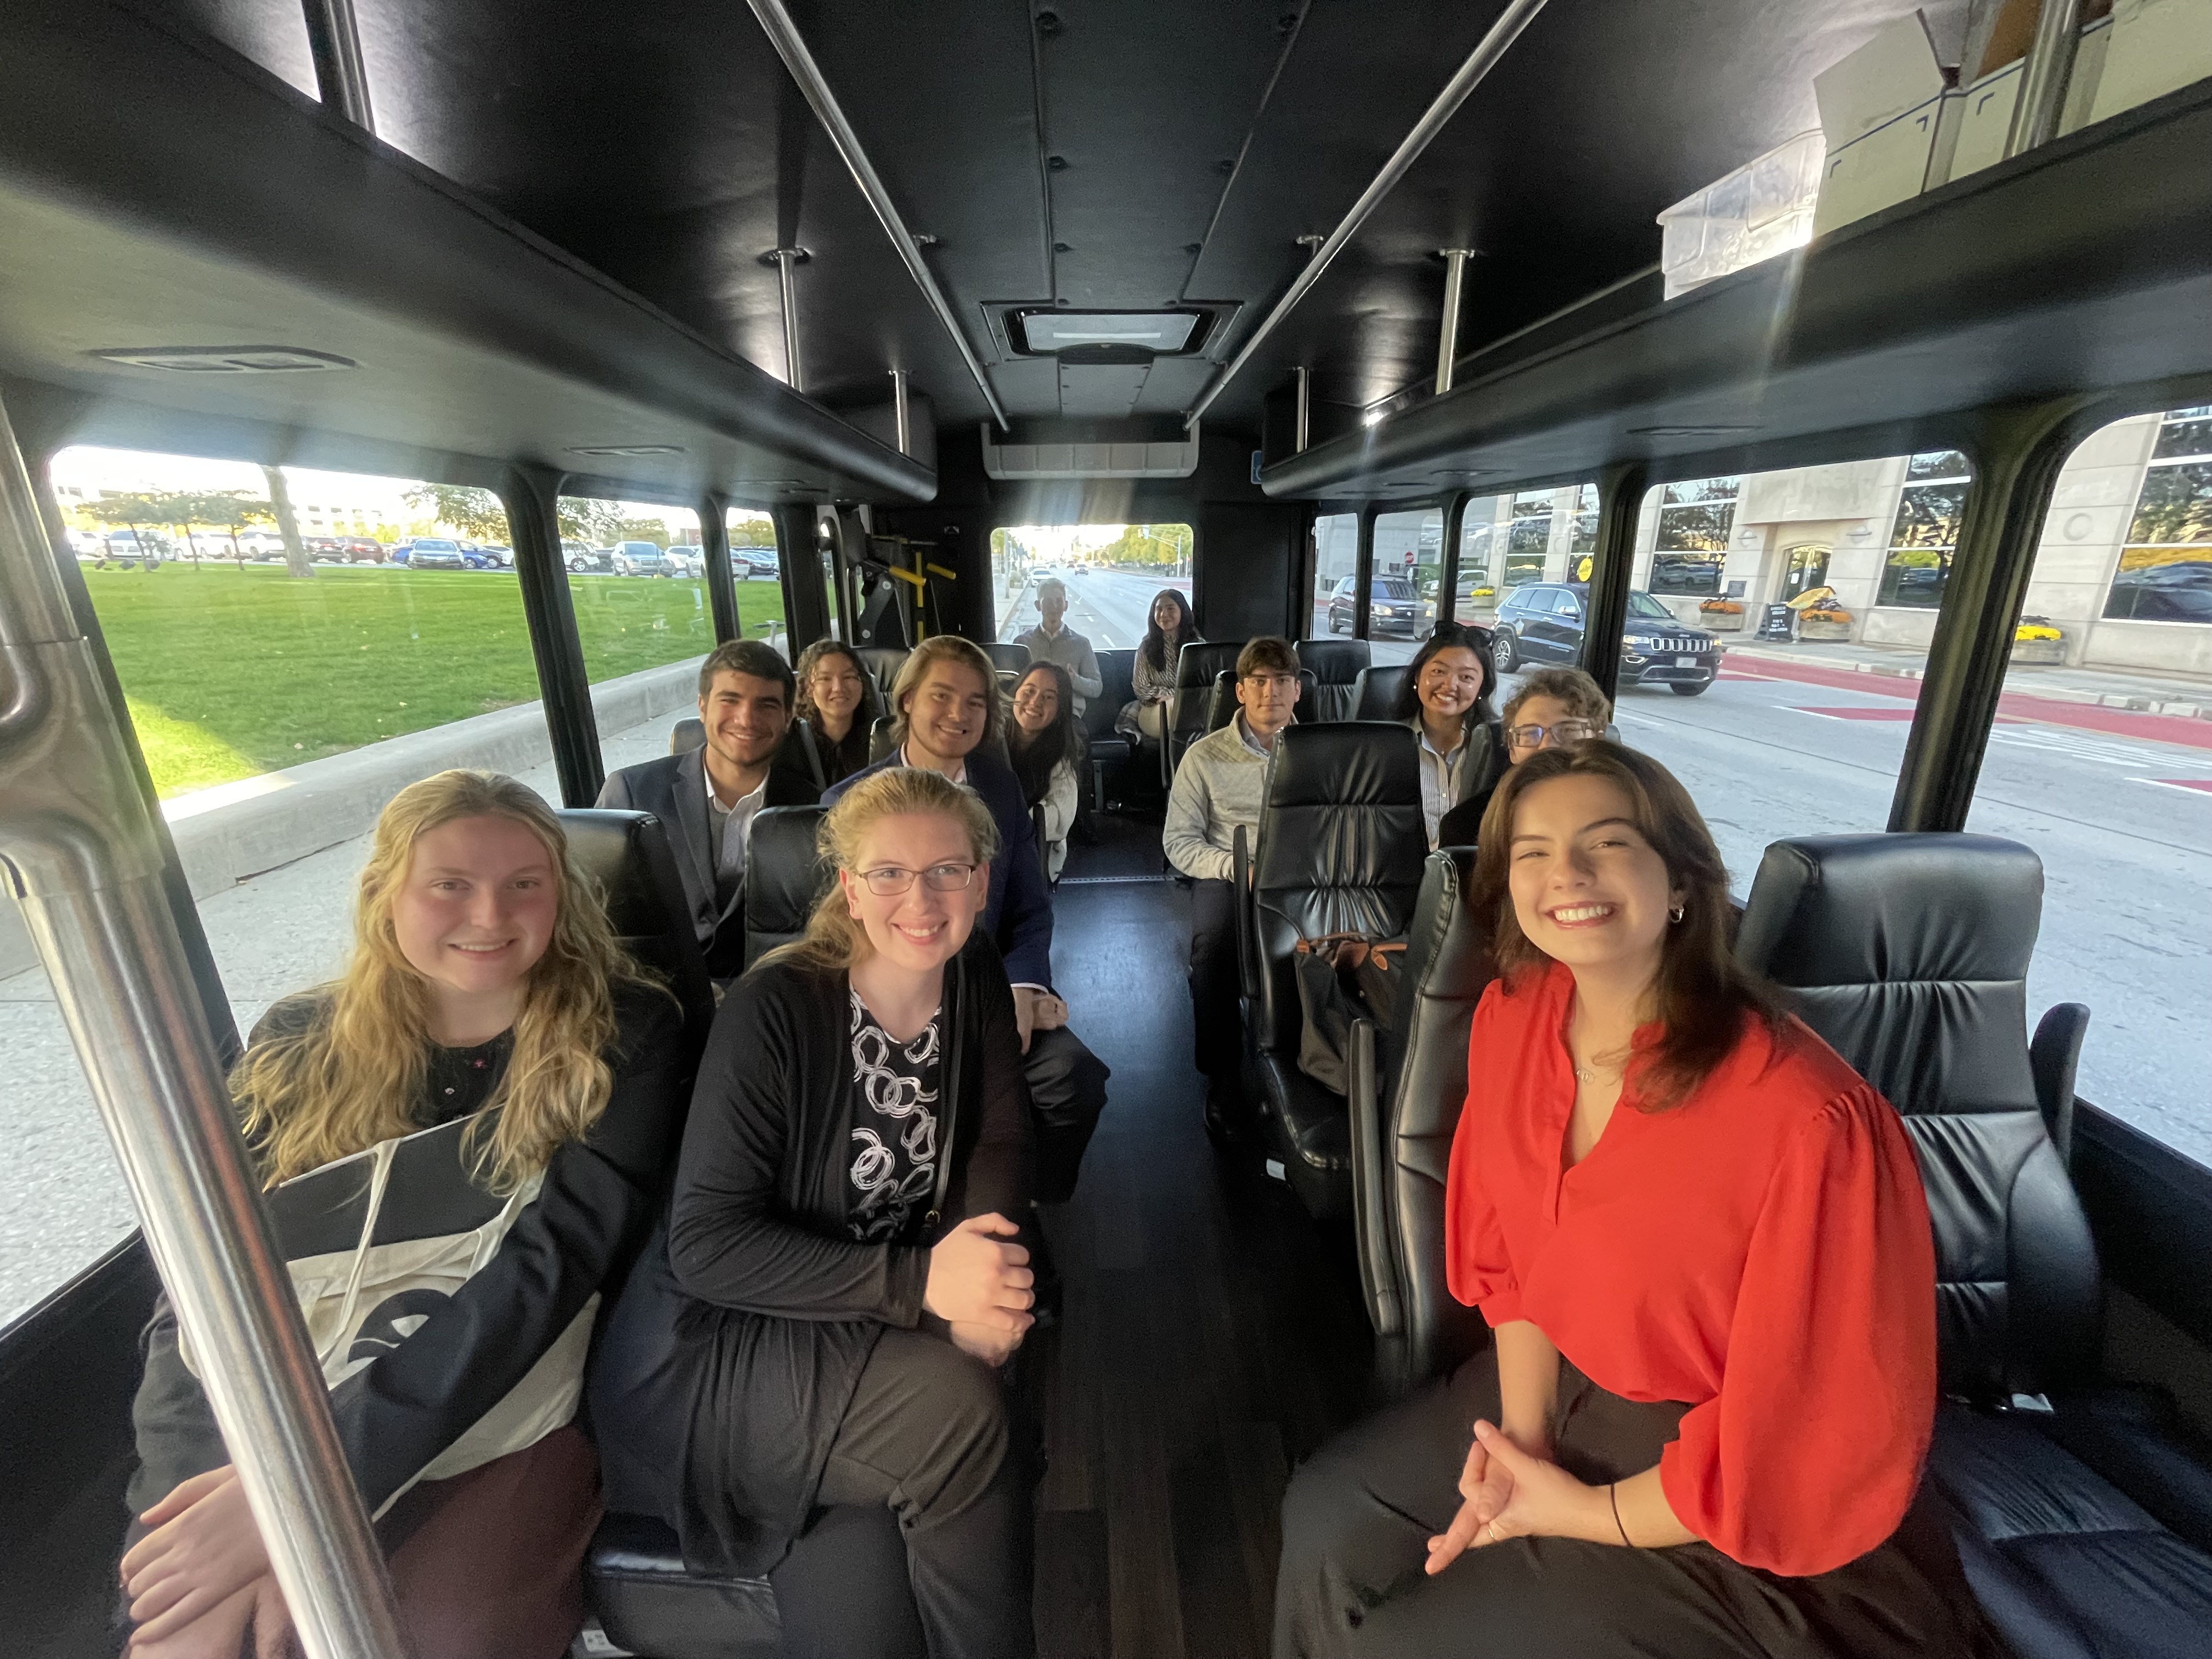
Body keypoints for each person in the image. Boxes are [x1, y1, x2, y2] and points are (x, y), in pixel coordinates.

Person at [1274, 741, 1990, 1659]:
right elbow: (1515, 1273)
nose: (1563, 872)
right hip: (1565, 1387)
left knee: (1410, 1637)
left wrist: (1579, 1508)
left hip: (1750, 1497)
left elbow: (1801, 1440)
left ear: (1682, 882)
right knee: (1323, 1518)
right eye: (1530, 850)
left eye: (1604, 842)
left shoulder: (1813, 1119)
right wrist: (1521, 1443)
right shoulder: (1513, 1018)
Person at [119, 770, 687, 1659]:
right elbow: (200, 1287)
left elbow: (549, 1268)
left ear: (562, 895)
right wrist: (215, 1490)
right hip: (292, 1396)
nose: (489, 914)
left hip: (501, 1404)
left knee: (433, 1630)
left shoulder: (624, 1034)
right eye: (450, 883)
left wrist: (307, 1490)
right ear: (386, 892)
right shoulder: (295, 1041)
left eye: (524, 883)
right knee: (186, 1628)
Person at [589, 768, 1037, 1659]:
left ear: (982, 880)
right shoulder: (775, 1005)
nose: (922, 897)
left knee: (879, 1545)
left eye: (949, 870)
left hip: (853, 1310)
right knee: (962, 1411)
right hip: (720, 1339)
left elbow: (1000, 1138)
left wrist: (982, 1265)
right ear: (848, 886)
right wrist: (922, 1283)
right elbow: (710, 1246)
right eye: (890, 873)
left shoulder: (971, 966)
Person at [828, 635, 1109, 1205]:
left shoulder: (1002, 791)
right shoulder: (848, 804)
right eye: (942, 696)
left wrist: (1023, 988)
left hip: (990, 990)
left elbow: (1031, 909)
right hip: (891, 1013)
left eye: (976, 703)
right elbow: (839, 940)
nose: (959, 714)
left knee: (1074, 1082)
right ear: (906, 701)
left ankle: (1024, 1199)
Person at [596, 640, 819, 978]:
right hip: (659, 997)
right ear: (702, 707)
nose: (747, 719)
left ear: (789, 718)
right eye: (730, 700)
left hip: (768, 998)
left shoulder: (813, 808)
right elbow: (592, 918)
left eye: (767, 705)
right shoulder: (633, 793)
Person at [1163, 635, 1301, 1139]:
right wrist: (1234, 867)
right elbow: (1178, 843)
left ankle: (1309, 1064)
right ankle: (1222, 1075)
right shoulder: (1203, 757)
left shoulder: (1319, 752)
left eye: (1283, 681)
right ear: (1240, 691)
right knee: (1213, 950)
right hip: (1229, 873)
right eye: (1259, 683)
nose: (1272, 693)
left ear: (1298, 691)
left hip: (1304, 876)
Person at [1435, 664, 1609, 848]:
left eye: (1568, 731)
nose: (1547, 746)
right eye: (1530, 733)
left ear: (1598, 740)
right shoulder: (1466, 826)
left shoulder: (1627, 815)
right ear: (1512, 749)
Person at [1391, 626, 1498, 849]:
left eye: (1466, 677)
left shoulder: (1497, 751)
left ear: (1481, 688)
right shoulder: (1386, 745)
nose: (1450, 685)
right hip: (1402, 875)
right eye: (1439, 672)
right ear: (1418, 677)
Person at [1007, 661, 1082, 883]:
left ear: (1060, 710)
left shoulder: (1061, 759)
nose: (1035, 702)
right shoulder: (989, 740)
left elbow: (1060, 822)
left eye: (1049, 697)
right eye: (1029, 691)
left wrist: (1004, 820)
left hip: (1033, 861)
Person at [1118, 586, 1200, 744]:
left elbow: (1201, 691)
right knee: (1170, 707)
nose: (1164, 615)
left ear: (1182, 612)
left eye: (1171, 609)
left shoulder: (1198, 647)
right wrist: (1171, 698)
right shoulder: (1146, 647)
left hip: (1190, 712)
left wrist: (1173, 695)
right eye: (1159, 609)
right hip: (1153, 712)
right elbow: (1141, 689)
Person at [792, 637, 875, 787]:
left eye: (849, 677)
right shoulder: (793, 745)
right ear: (808, 689)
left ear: (862, 683)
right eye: (825, 679)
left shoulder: (880, 740)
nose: (838, 688)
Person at [1013, 578, 1103, 714]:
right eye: (1048, 602)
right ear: (1038, 606)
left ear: (1066, 605)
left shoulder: (1082, 644)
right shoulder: (1023, 642)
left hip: (1068, 715)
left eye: (1059, 601)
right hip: (1032, 713)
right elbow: (1012, 684)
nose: (1054, 607)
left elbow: (1097, 688)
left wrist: (1074, 680)